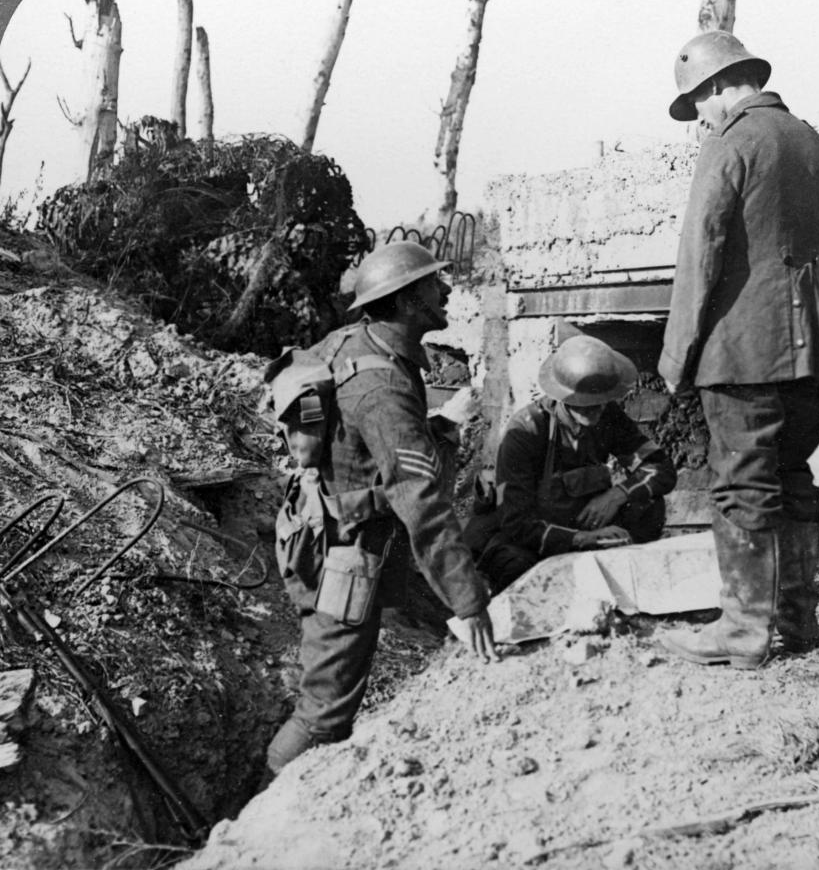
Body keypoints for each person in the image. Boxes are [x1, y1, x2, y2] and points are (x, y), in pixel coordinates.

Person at [262, 241, 499, 785]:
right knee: (325, 712)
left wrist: (438, 427)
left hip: (339, 529)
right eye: (433, 284)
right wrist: (469, 601)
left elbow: (370, 450)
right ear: (407, 298)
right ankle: (256, 815)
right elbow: (420, 498)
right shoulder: (384, 386)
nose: (446, 290)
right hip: (344, 554)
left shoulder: (357, 342)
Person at [657, 30, 819, 669]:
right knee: (792, 476)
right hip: (806, 352)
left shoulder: (732, 141)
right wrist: (815, 333)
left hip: (739, 352)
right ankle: (797, 623)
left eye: (698, 105)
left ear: (718, 86)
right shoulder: (818, 148)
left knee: (742, 484)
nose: (700, 119)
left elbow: (700, 254)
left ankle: (742, 631)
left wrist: (677, 357)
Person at [477, 334, 676, 594]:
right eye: (585, 405)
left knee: (648, 504)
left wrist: (619, 494)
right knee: (513, 566)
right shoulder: (526, 430)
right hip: (538, 538)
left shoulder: (608, 417)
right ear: (563, 397)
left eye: (601, 402)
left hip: (589, 523)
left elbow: (660, 468)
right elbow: (516, 523)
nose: (596, 410)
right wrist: (579, 539)